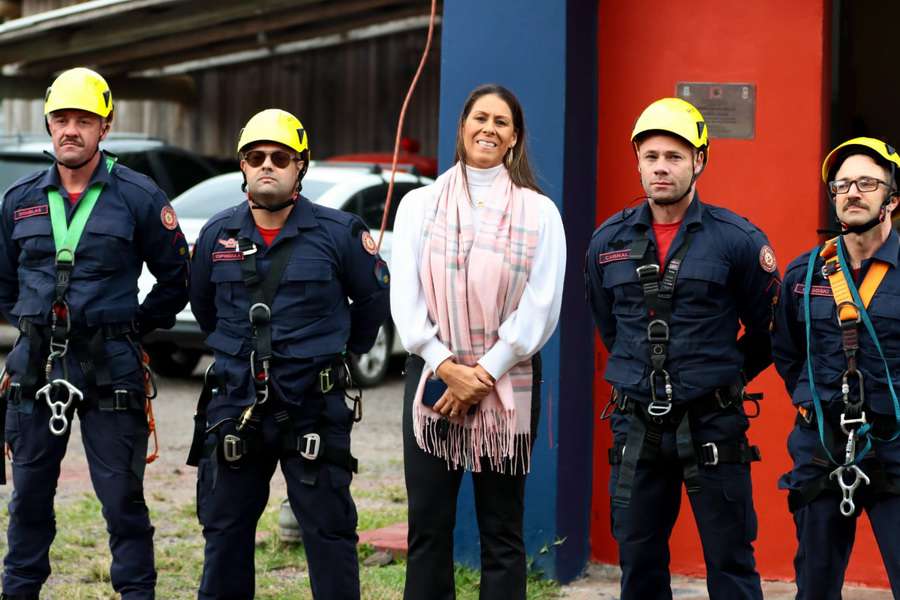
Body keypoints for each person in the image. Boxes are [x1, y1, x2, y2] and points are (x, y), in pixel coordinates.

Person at [0, 67, 190, 600]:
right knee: (28, 501)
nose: (71, 130)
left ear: (104, 127)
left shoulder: (139, 196)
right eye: (61, 119)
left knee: (123, 502)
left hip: (112, 367)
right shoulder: (19, 200)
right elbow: (3, 282)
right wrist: (34, 327)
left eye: (84, 120)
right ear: (48, 124)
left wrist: (131, 329)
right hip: (35, 367)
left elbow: (177, 278)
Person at [188, 108, 389, 600]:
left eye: (281, 157)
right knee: (226, 534)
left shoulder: (339, 234)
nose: (267, 165)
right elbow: (205, 309)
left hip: (313, 409)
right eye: (256, 157)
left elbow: (370, 306)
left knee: (329, 533)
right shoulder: (217, 236)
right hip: (236, 406)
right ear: (242, 165)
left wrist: (336, 357)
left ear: (302, 165)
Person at [585, 97, 778, 599]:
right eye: (651, 157)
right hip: (637, 428)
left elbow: (767, 332)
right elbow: (610, 327)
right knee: (640, 564)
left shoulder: (737, 240)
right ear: (638, 162)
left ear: (700, 161)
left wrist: (723, 376)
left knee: (731, 562)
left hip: (713, 422)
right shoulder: (607, 241)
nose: (661, 168)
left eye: (674, 156)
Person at [391, 83, 565, 600]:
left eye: (501, 123)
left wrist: (483, 374)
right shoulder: (418, 205)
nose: (489, 129)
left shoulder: (540, 214)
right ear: (463, 126)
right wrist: (447, 366)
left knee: (502, 531)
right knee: (428, 525)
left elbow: (541, 306)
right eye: (480, 118)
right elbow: (405, 300)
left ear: (514, 139)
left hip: (507, 384)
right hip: (432, 381)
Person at [772, 137, 900, 599]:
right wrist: (814, 402)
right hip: (822, 447)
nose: (852, 192)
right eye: (842, 184)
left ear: (892, 198)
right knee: (815, 585)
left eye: (867, 183)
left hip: (896, 447)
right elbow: (787, 352)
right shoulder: (804, 274)